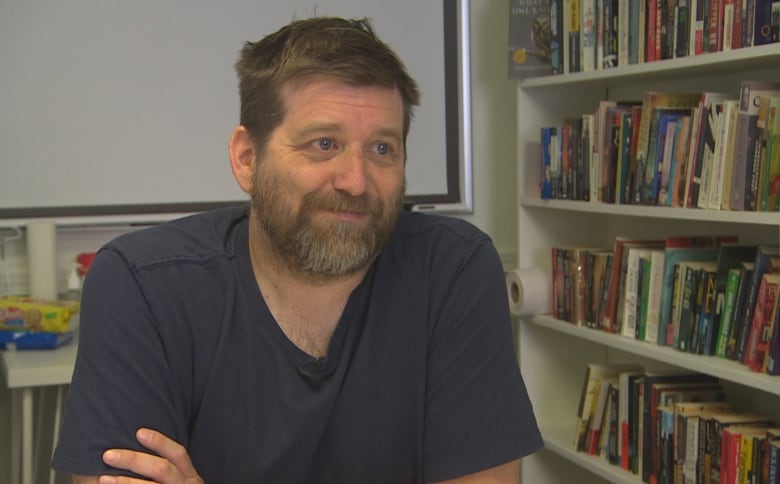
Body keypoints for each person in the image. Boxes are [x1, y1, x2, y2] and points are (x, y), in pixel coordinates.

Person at [52, 16, 543, 483]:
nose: (356, 181)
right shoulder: (142, 283)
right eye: (323, 144)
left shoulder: (453, 270)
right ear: (247, 159)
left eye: (381, 149)